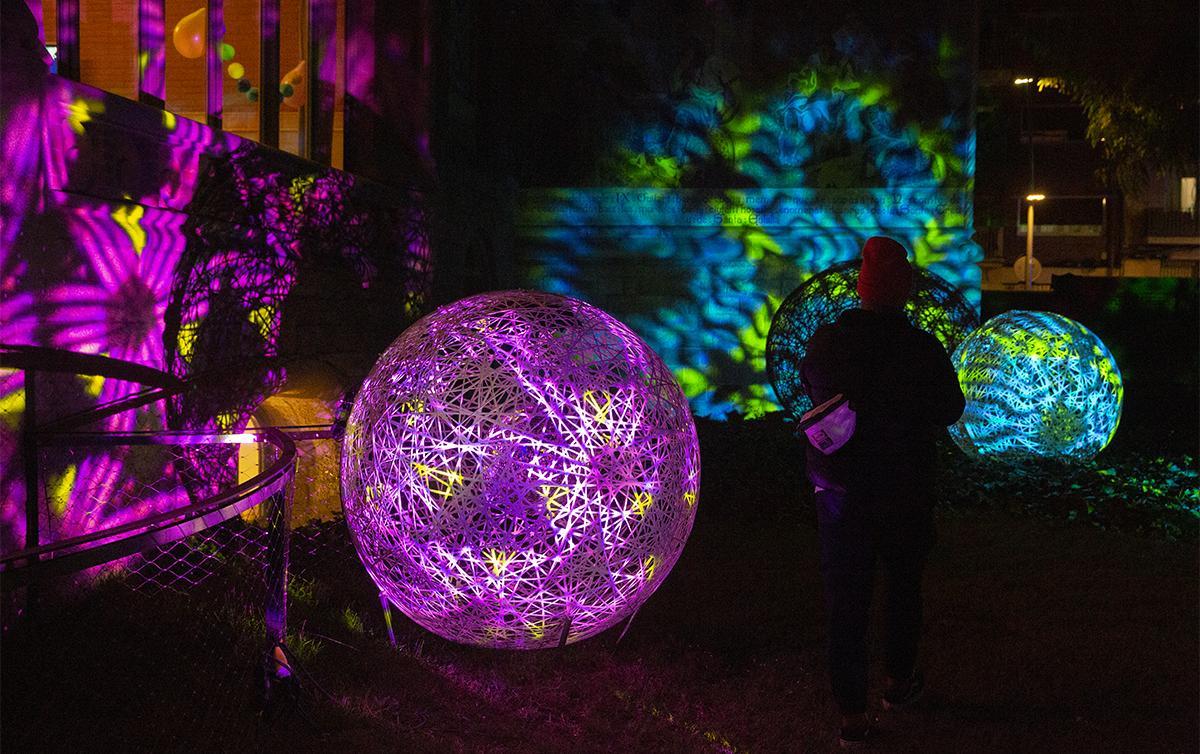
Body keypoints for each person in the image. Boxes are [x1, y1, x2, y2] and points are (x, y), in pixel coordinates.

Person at [800, 236, 965, 748]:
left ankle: (852, 715)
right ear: (905, 290)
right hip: (905, 488)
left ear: (861, 288)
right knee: (902, 588)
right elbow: (950, 409)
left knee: (846, 600)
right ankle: (896, 683)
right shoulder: (920, 348)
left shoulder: (830, 343)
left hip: (843, 490)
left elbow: (809, 387)